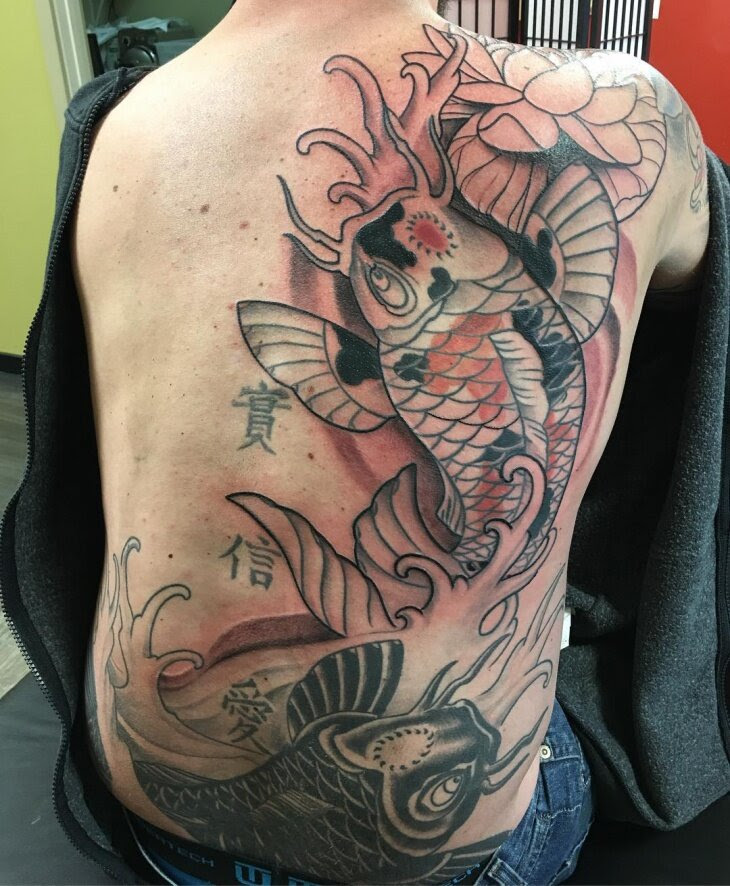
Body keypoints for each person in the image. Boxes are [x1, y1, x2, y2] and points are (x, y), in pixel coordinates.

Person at [71, 0, 709, 883]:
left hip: (154, 815)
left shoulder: (119, 129)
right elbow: (691, 294)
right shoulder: (624, 113)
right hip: (453, 853)